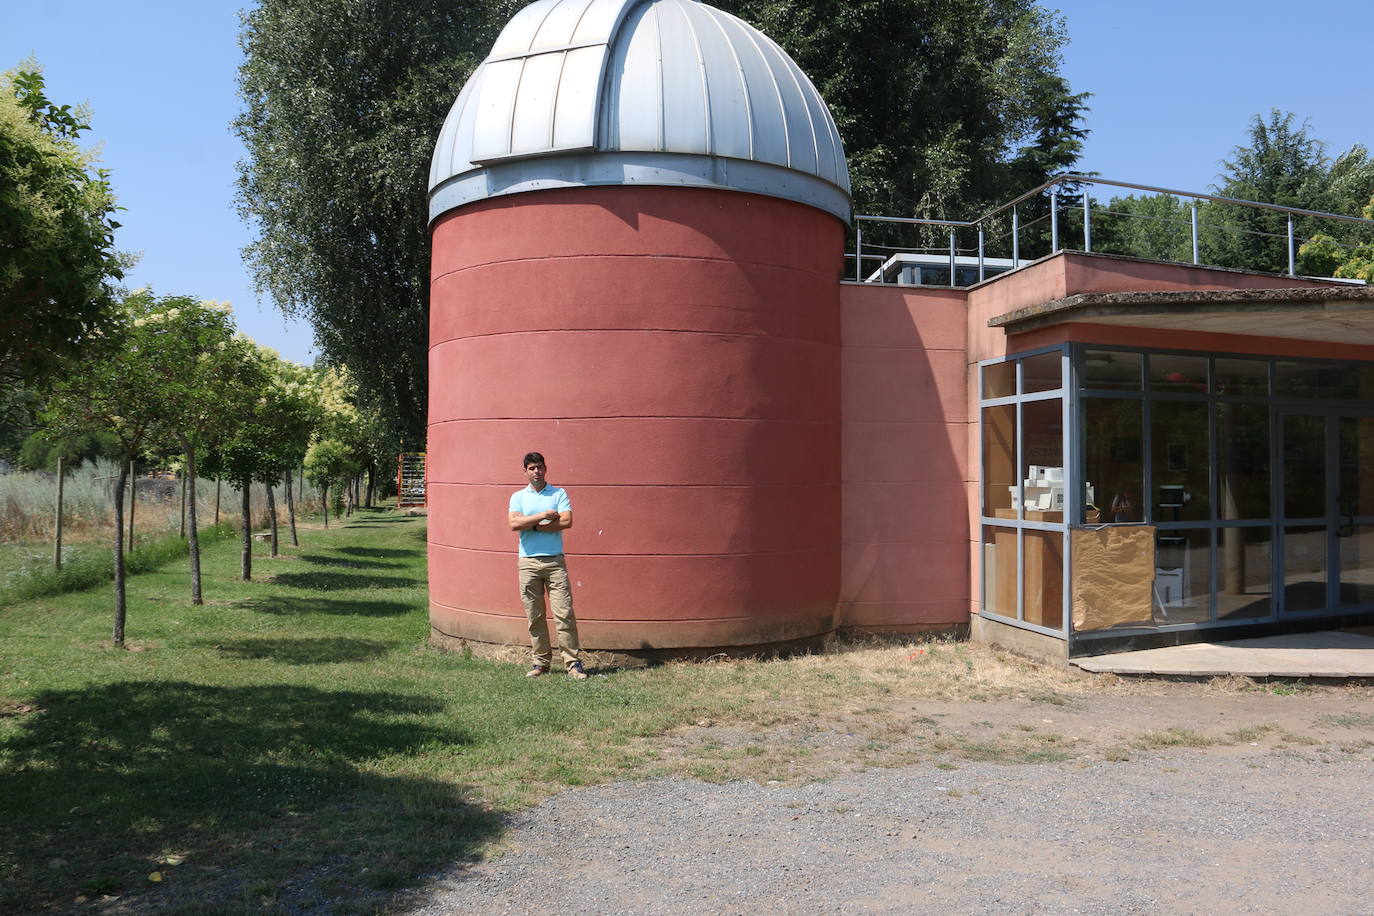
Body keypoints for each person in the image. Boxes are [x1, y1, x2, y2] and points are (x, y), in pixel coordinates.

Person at [508, 451, 586, 679]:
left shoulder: (558, 493)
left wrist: (532, 525)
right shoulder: (518, 497)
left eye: (540, 467)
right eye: (531, 468)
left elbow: (567, 521)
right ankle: (541, 663)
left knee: (564, 613)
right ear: (525, 471)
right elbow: (513, 523)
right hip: (528, 563)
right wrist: (544, 516)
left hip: (554, 562)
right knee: (535, 615)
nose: (536, 472)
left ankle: (572, 663)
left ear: (545, 469)